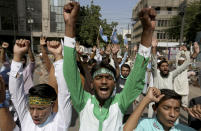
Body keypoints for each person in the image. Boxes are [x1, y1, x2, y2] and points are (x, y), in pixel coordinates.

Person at [63, 2, 155, 130]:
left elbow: (137, 77)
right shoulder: (83, 101)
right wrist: (70, 24)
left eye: (109, 77)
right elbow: (70, 71)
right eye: (99, 77)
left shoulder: (120, 102)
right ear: (91, 84)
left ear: (115, 83)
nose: (104, 81)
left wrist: (148, 31)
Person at [9, 39, 72, 130]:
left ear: (52, 105)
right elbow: (15, 92)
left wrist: (58, 56)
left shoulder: (60, 122)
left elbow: (64, 91)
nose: (34, 114)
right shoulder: (26, 118)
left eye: (40, 109)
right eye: (31, 108)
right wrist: (17, 56)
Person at [123, 88, 196, 131]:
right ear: (155, 108)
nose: (172, 114)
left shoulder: (182, 129)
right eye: (166, 108)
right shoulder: (144, 125)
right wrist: (146, 99)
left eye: (177, 109)